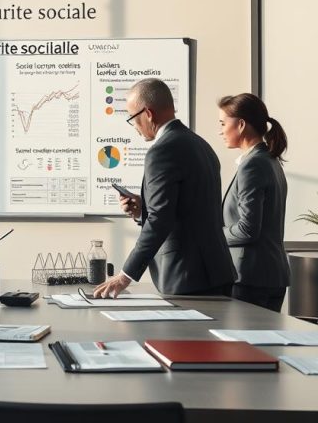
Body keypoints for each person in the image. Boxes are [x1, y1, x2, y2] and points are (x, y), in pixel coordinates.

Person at [94, 78, 236, 298]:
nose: (134, 126)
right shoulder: (201, 145)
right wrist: (143, 210)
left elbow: (160, 218)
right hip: (216, 271)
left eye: (132, 118)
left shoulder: (161, 151)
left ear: (148, 114)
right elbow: (187, 207)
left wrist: (125, 275)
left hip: (186, 276)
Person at [218, 93, 290, 312]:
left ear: (240, 125)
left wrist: (213, 236)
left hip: (251, 279)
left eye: (223, 124)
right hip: (269, 276)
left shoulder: (253, 165)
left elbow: (248, 229)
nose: (220, 131)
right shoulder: (270, 160)